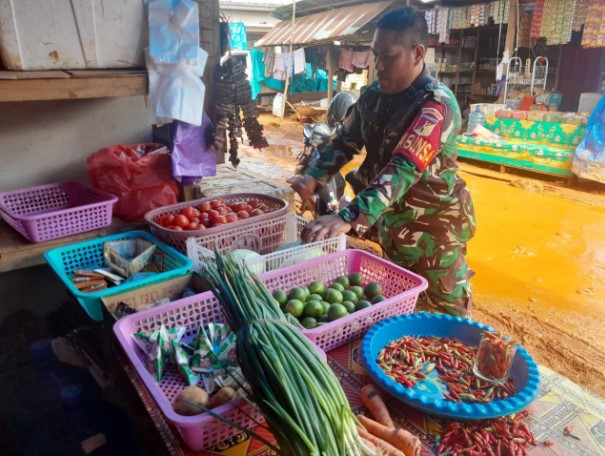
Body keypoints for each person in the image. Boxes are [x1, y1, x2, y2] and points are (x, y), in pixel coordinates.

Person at [293, 6, 476, 317]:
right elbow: (345, 141)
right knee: (400, 307)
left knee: (449, 317)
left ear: (417, 53)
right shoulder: (373, 96)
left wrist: (348, 216)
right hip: (391, 227)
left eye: (388, 57)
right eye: (375, 55)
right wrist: (314, 175)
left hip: (435, 237)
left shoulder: (436, 106)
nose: (378, 66)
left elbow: (403, 168)